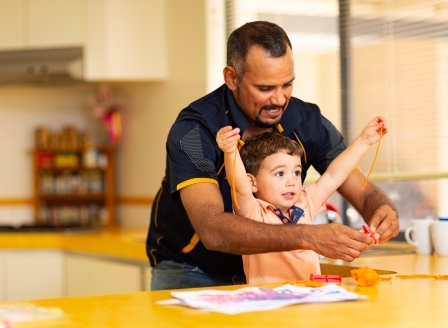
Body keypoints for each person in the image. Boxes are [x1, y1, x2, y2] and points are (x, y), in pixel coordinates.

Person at [146, 21, 399, 290]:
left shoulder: (306, 120)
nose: (279, 100)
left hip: (272, 276)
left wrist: (381, 209)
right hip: (192, 269)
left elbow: (351, 182)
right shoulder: (194, 130)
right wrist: (308, 236)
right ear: (232, 78)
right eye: (265, 88)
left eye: (287, 84)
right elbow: (213, 231)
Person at [216, 117, 388, 283]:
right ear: (252, 183)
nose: (291, 181)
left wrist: (364, 141)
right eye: (280, 173)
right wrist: (230, 152)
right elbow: (239, 186)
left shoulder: (304, 202)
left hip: (309, 299)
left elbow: (333, 175)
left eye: (296, 173)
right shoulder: (253, 212)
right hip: (268, 304)